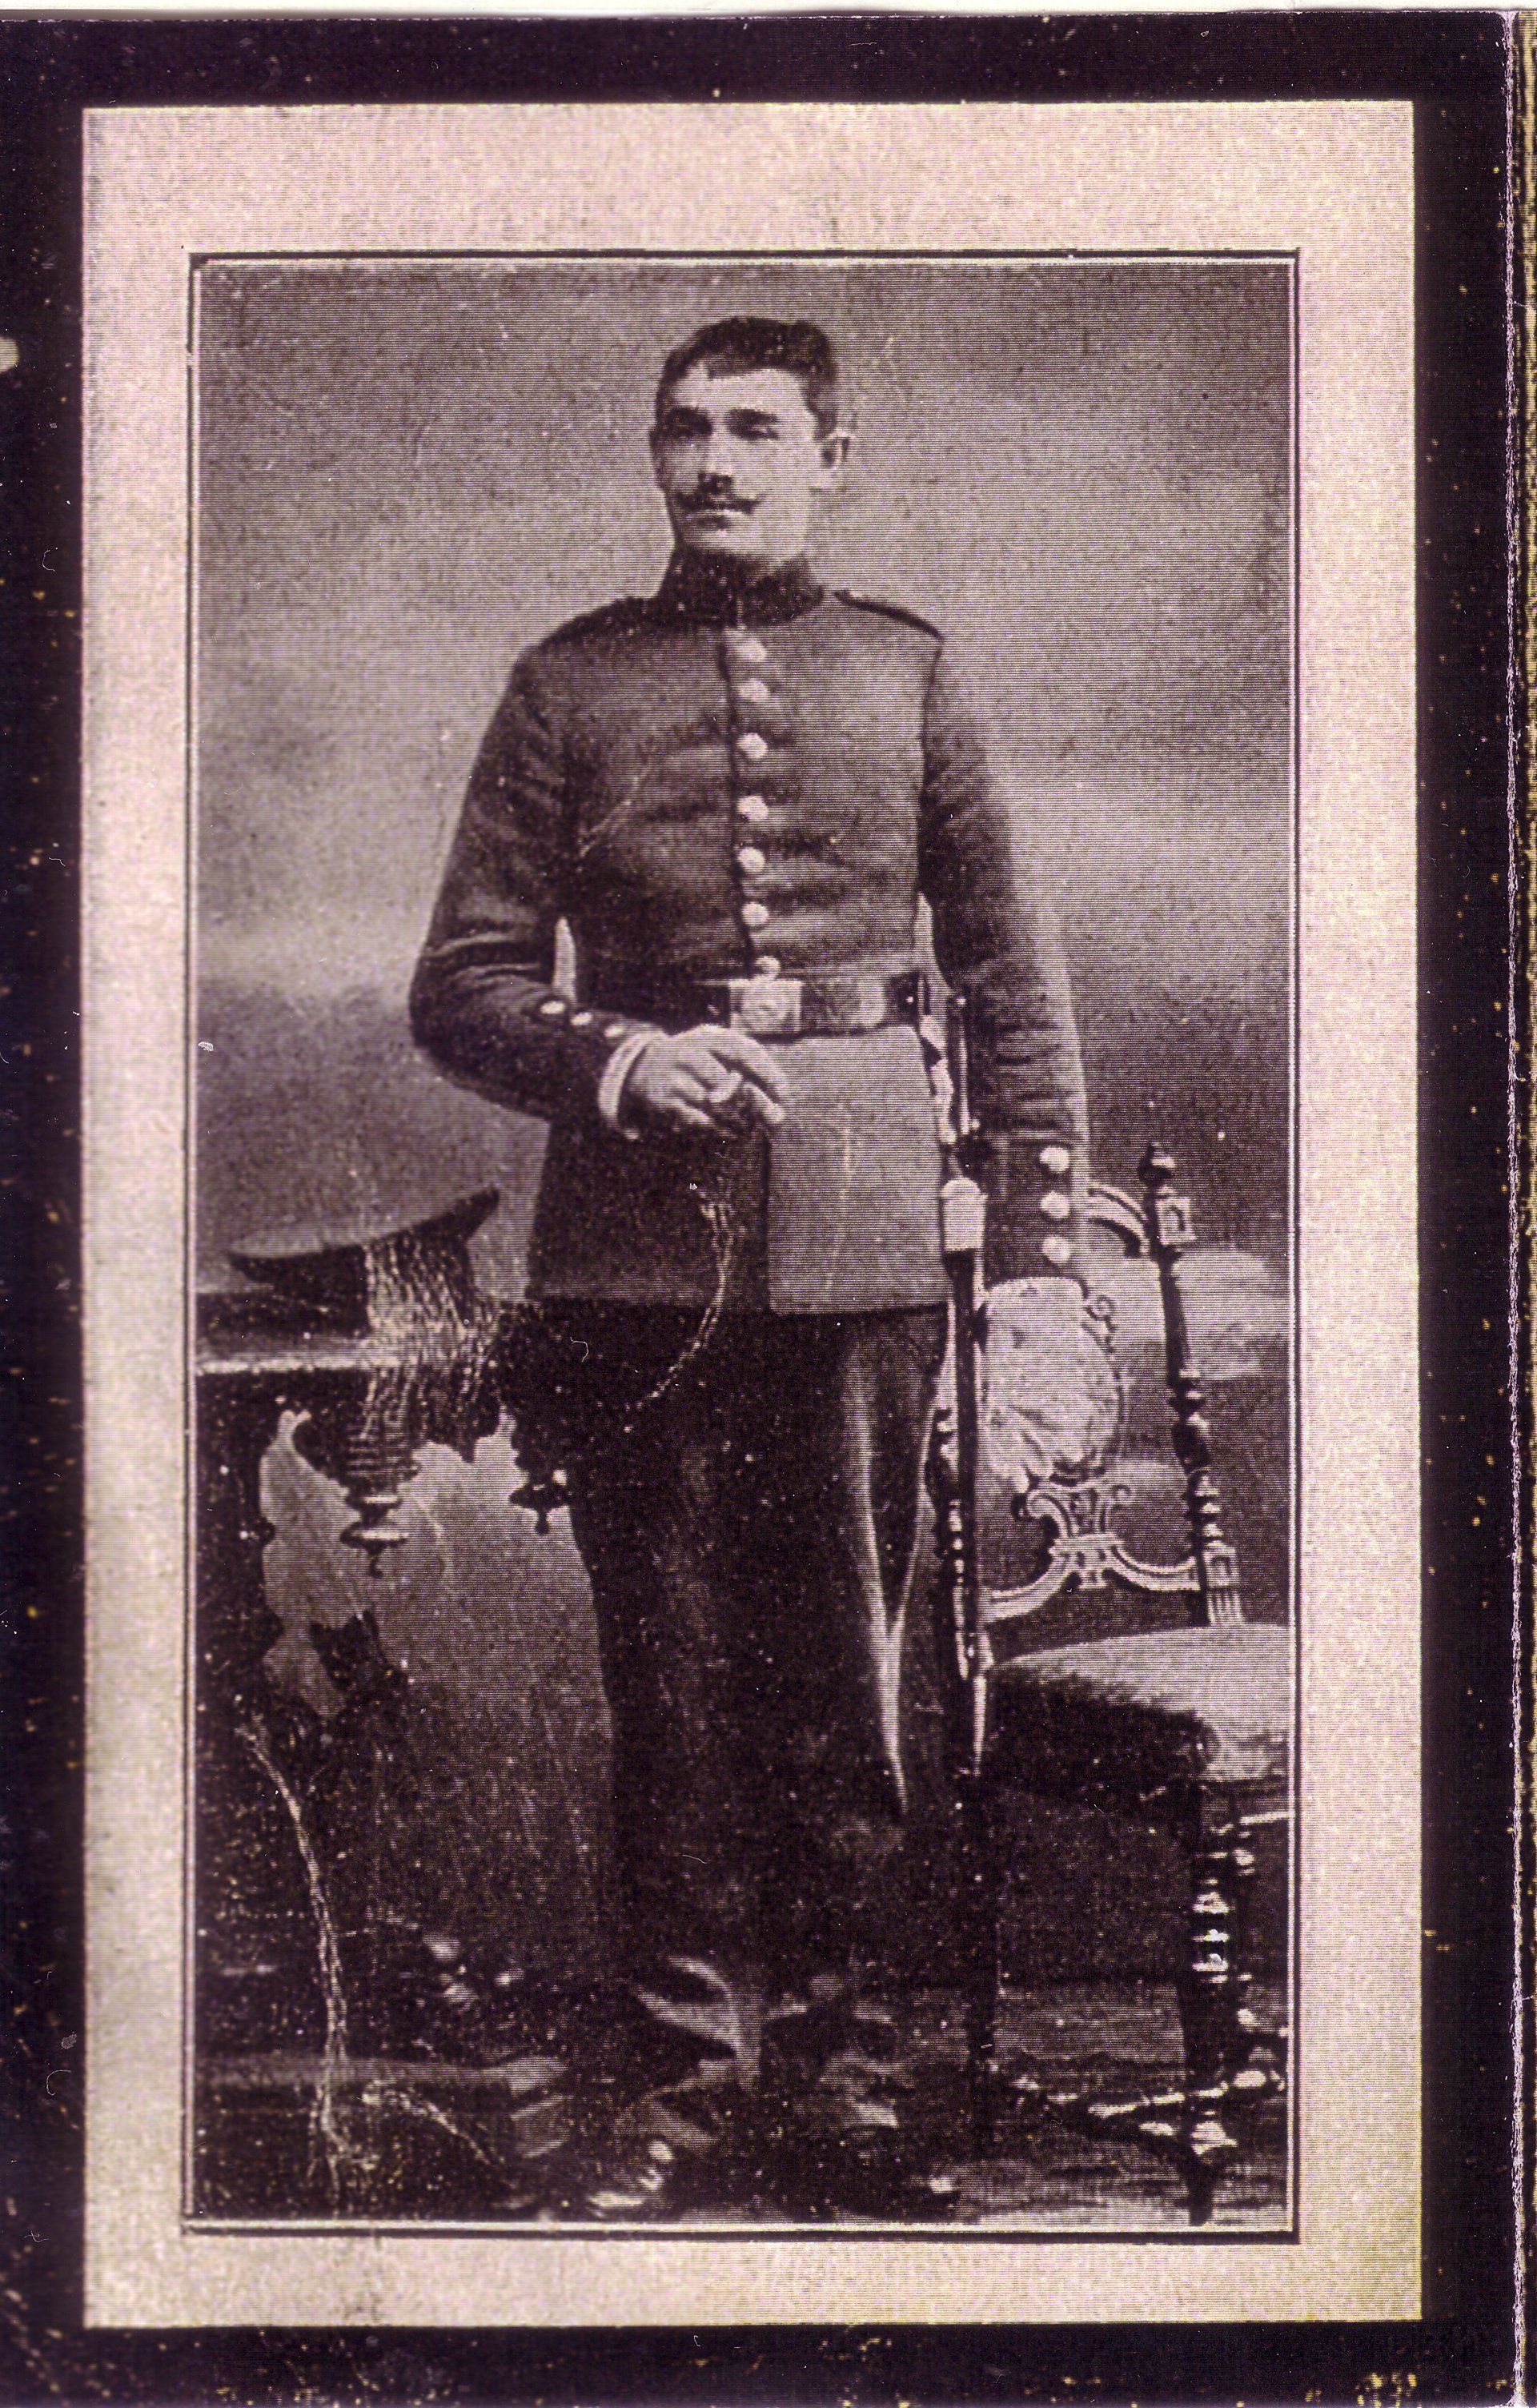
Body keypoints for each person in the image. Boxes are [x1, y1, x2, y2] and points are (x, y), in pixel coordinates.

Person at [411, 315, 1086, 2219]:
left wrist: (1033, 1258)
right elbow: (461, 985)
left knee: (851, 1690)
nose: (715, 463)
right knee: (677, 1685)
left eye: (758, 430)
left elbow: (1015, 987)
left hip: (870, 1232)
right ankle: (690, 2090)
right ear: (654, 454)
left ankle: (853, 2087)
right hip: (636, 1260)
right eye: (687, 430)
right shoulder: (566, 685)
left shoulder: (912, 670)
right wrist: (623, 1059)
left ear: (828, 457)